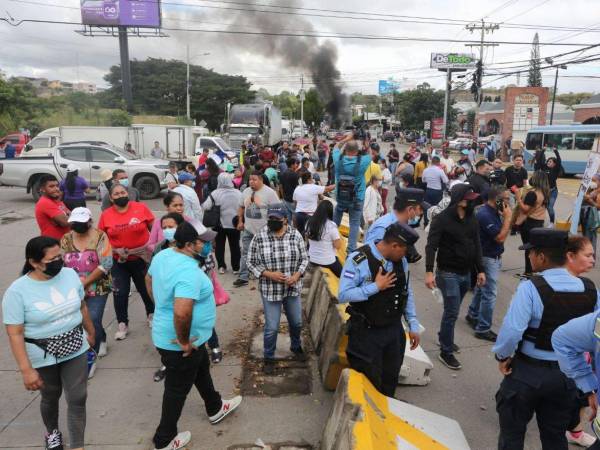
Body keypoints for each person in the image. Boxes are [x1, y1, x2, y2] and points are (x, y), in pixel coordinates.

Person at [492, 229, 599, 450]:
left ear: (541, 256)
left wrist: (503, 356)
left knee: (512, 435)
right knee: (554, 436)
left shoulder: (531, 288)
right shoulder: (590, 289)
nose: (529, 257)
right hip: (566, 378)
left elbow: (512, 331)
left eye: (531, 252)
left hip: (527, 373)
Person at [146, 222, 242, 450]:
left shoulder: (164, 255)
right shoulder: (188, 272)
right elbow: (182, 311)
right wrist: (184, 341)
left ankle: (215, 407)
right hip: (179, 344)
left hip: (189, 339)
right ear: (190, 245)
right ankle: (164, 440)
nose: (210, 244)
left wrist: (160, 306)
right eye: (205, 241)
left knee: (200, 368)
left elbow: (148, 279)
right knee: (176, 390)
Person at [3, 236, 95, 450]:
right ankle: (52, 431)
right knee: (51, 395)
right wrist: (26, 370)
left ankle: (77, 445)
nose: (59, 262)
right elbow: (15, 333)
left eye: (59, 256)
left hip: (75, 346)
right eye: (52, 259)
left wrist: (91, 332)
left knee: (78, 397)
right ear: (34, 262)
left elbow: (81, 306)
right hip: (42, 354)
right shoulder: (17, 291)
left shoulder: (70, 275)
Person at [338, 223, 422, 397]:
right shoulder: (358, 260)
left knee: (390, 377)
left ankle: (387, 410)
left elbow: (406, 291)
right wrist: (375, 286)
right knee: (369, 381)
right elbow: (344, 294)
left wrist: (413, 322)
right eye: (404, 250)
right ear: (394, 246)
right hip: (366, 333)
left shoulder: (401, 261)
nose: (406, 255)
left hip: (392, 331)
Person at [425, 183, 485, 370]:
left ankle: (445, 337)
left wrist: (480, 270)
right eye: (468, 198)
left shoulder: (471, 219)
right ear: (458, 199)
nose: (471, 201)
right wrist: (428, 272)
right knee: (451, 312)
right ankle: (446, 351)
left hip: (466, 273)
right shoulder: (442, 219)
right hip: (447, 273)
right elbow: (431, 246)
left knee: (453, 311)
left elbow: (476, 245)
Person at [246, 204, 309, 374]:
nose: (272, 222)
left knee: (296, 322)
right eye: (270, 219)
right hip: (270, 290)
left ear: (285, 220)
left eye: (277, 219)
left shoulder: (295, 235)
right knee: (271, 327)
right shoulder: (260, 236)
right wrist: (268, 274)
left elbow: (305, 259)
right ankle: (268, 357)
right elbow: (250, 262)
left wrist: (297, 275)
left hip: (292, 288)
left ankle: (296, 346)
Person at [553, 235, 597, 448]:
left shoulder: (590, 288)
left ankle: (575, 430)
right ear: (570, 256)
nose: (593, 260)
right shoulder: (541, 284)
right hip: (549, 359)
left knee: (579, 395)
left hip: (578, 358)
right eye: (588, 255)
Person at [98, 183, 155, 340]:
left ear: (127, 193)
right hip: (119, 261)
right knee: (120, 293)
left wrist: (151, 249)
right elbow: (102, 239)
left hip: (142, 258)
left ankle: (151, 315)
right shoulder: (106, 215)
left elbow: (155, 230)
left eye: (122, 192)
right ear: (110, 198)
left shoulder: (141, 208)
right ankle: (122, 324)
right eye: (116, 194)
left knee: (145, 289)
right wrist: (115, 251)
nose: (120, 195)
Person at [61, 207, 113, 372]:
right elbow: (61, 263)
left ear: (89, 221)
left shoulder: (100, 236)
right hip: (73, 288)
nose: (78, 225)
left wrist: (85, 282)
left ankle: (91, 357)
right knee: (82, 321)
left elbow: (106, 263)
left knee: (92, 317)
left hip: (98, 286)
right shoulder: (66, 239)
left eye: (82, 222)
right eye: (75, 222)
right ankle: (102, 337)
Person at [465, 185, 512, 341]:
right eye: (506, 198)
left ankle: (473, 314)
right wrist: (508, 218)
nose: (508, 201)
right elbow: (499, 238)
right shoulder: (485, 214)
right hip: (488, 257)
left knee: (481, 288)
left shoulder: (493, 212)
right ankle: (483, 328)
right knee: (490, 294)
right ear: (497, 200)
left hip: (492, 256)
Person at [234, 170, 280, 288]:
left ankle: (267, 275)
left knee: (266, 254)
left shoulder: (270, 193)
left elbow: (278, 211)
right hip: (248, 229)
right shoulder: (246, 191)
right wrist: (240, 221)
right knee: (245, 252)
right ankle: (243, 276)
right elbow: (241, 207)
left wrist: (262, 205)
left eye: (254, 180)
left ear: (261, 180)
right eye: (250, 179)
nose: (251, 182)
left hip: (265, 231)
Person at [331, 135, 372, 254]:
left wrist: (347, 139)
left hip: (341, 196)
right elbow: (369, 153)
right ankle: (351, 250)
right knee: (354, 223)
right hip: (357, 198)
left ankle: (331, 239)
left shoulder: (338, 159)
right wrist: (366, 142)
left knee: (336, 217)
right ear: (356, 151)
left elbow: (335, 147)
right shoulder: (363, 161)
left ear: (346, 149)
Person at [203, 173, 242, 274]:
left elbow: (206, 206)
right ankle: (236, 268)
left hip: (219, 224)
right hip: (235, 224)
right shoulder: (238, 193)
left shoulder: (215, 193)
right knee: (235, 246)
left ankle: (221, 266)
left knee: (220, 246)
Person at [515, 170, 550, 276]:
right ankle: (533, 270)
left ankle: (528, 271)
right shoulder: (545, 192)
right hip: (539, 222)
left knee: (528, 249)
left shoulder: (533, 193)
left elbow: (525, 209)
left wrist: (518, 198)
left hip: (529, 223)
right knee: (534, 248)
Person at [306, 200, 343, 277]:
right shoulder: (331, 225)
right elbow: (338, 246)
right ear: (330, 211)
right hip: (328, 261)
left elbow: (307, 239)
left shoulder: (308, 223)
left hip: (312, 259)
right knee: (346, 275)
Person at [35, 174, 70, 240]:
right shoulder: (45, 202)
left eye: (57, 186)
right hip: (53, 243)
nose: (56, 189)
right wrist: (70, 218)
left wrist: (67, 218)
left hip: (64, 241)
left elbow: (70, 214)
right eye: (51, 186)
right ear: (42, 189)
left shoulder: (56, 201)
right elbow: (65, 222)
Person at [543, 147, 562, 224]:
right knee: (542, 207)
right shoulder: (544, 168)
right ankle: (540, 221)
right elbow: (539, 161)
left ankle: (551, 222)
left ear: (554, 164)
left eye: (550, 161)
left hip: (553, 191)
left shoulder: (555, 169)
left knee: (550, 207)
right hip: (544, 191)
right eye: (548, 161)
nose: (548, 162)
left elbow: (559, 160)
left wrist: (555, 151)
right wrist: (543, 150)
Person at [279, 158, 301, 223]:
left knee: (288, 216)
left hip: (285, 198)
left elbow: (280, 186)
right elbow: (297, 188)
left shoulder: (283, 173)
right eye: (295, 164)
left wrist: (283, 196)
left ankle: (288, 229)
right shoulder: (294, 174)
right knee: (295, 214)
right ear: (292, 165)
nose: (296, 165)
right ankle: (294, 230)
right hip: (293, 199)